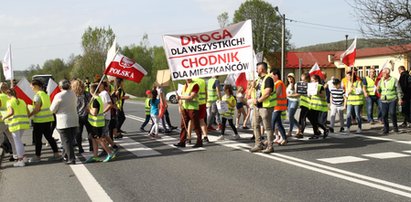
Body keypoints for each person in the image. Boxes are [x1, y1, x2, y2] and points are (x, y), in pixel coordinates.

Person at [28, 79, 60, 163]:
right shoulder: (45, 95)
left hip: (39, 121)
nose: (31, 88)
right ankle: (56, 154)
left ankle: (37, 156)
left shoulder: (37, 96)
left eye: (31, 86)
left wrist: (29, 115)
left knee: (38, 139)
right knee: (49, 137)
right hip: (48, 119)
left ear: (35, 86)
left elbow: (37, 109)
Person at [50, 80, 79, 165]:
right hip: (73, 119)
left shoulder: (59, 95)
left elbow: (52, 109)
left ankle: (71, 158)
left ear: (60, 87)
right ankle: (65, 155)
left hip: (63, 120)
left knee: (66, 141)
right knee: (70, 139)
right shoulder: (73, 94)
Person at [250, 62, 276, 153]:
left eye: (257, 68)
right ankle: (258, 144)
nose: (256, 70)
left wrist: (258, 101)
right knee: (255, 125)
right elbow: (251, 93)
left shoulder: (268, 79)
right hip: (257, 107)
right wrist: (252, 87)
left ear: (262, 69)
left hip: (265, 107)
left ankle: (270, 146)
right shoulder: (258, 80)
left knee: (267, 127)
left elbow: (267, 93)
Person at [85, 83, 116, 163]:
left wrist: (89, 109)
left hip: (96, 123)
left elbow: (94, 112)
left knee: (99, 139)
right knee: (93, 139)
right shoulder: (96, 98)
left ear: (92, 90)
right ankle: (95, 156)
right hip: (94, 123)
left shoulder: (95, 100)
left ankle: (110, 153)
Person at [3, 89, 30, 167]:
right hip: (23, 123)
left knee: (17, 142)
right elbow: (28, 112)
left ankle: (20, 160)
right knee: (19, 141)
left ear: (8, 95)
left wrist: (4, 117)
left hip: (15, 124)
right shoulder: (22, 101)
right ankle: (24, 157)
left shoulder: (9, 102)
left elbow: (11, 112)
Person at [174, 79, 203, 148]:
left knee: (196, 126)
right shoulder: (184, 86)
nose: (187, 78)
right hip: (185, 108)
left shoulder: (195, 85)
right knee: (183, 125)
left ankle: (199, 141)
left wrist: (180, 97)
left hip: (193, 108)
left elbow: (191, 97)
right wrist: (180, 106)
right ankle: (182, 141)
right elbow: (181, 97)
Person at [378, 68, 402, 135]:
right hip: (383, 100)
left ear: (388, 73)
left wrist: (400, 99)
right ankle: (386, 129)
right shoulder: (381, 80)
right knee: (384, 115)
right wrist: (378, 89)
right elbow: (379, 91)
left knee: (392, 113)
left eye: (384, 73)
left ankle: (395, 127)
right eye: (383, 72)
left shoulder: (394, 80)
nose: (383, 74)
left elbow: (398, 90)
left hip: (392, 99)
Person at [99, 82, 120, 154]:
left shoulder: (105, 93)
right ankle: (114, 146)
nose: (109, 87)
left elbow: (110, 104)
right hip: (102, 117)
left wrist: (103, 112)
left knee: (102, 134)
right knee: (104, 134)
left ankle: (106, 149)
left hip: (105, 116)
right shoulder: (101, 93)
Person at [71, 79, 92, 153]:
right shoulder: (87, 93)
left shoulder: (72, 95)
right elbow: (90, 103)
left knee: (78, 132)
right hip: (87, 115)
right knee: (90, 131)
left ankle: (80, 148)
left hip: (77, 115)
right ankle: (91, 146)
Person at [307, 74, 329, 139]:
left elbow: (323, 95)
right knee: (313, 120)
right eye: (311, 81)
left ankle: (324, 129)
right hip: (313, 106)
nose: (311, 82)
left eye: (312, 80)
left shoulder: (320, 86)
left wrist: (317, 93)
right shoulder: (311, 86)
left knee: (317, 121)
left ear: (316, 80)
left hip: (319, 107)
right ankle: (317, 133)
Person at [188, 77, 208, 143]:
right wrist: (206, 101)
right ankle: (205, 136)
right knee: (202, 120)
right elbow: (206, 92)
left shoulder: (192, 81)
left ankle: (189, 138)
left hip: (194, 103)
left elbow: (189, 92)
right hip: (203, 103)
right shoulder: (203, 81)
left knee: (191, 121)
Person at [0, 82, 17, 161]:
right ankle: (15, 155)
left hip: (2, 120)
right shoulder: (10, 97)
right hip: (11, 120)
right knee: (12, 139)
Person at [271, 69, 288, 146]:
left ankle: (269, 139)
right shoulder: (277, 83)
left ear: (276, 75)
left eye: (272, 75)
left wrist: (269, 95)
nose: (271, 77)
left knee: (272, 122)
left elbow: (277, 93)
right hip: (277, 106)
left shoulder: (279, 83)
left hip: (278, 106)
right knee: (278, 124)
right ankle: (284, 139)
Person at [285, 73, 301, 137]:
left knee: (290, 115)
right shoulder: (288, 85)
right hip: (288, 101)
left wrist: (291, 95)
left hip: (294, 101)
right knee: (290, 116)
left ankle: (290, 131)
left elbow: (299, 94)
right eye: (288, 77)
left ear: (293, 78)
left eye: (291, 77)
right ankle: (299, 126)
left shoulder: (296, 85)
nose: (289, 79)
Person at [296, 73, 310, 139]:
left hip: (308, 104)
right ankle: (318, 131)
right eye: (302, 79)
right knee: (312, 119)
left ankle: (301, 132)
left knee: (302, 119)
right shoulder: (301, 84)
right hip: (303, 103)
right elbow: (298, 92)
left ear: (307, 79)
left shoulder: (309, 85)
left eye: (304, 79)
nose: (302, 80)